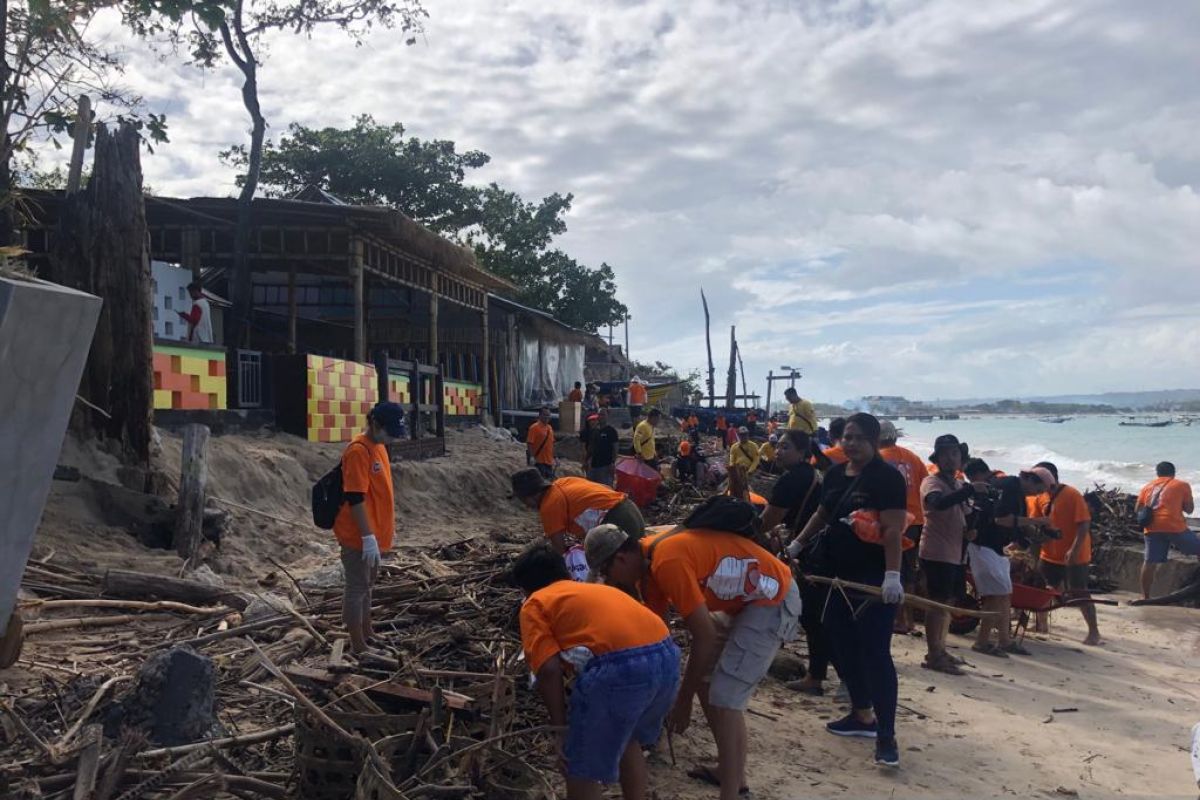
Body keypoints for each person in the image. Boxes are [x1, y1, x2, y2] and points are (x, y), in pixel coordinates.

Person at [585, 506, 800, 800]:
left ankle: (733, 791)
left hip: (772, 597)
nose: (613, 584)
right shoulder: (647, 567)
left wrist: (682, 701)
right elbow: (655, 636)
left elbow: (705, 635)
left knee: (726, 698)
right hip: (742, 602)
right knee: (704, 680)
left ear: (620, 559)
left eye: (609, 575)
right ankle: (730, 769)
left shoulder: (666, 560)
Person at [512, 541, 680, 800]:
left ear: (525, 588)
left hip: (621, 668)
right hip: (667, 656)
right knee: (628, 737)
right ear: (564, 572)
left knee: (579, 762)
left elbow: (548, 669)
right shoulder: (595, 591)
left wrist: (559, 729)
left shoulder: (535, 602)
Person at [787, 413, 907, 768]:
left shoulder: (887, 478)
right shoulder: (837, 474)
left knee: (876, 654)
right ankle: (861, 714)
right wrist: (797, 543)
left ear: (873, 441)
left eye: (858, 438)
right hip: (836, 577)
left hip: (872, 581)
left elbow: (892, 530)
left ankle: (886, 736)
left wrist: (892, 576)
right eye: (847, 438)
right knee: (839, 641)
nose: (850, 444)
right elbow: (823, 514)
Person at [763, 430, 833, 695]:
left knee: (811, 615)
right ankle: (820, 673)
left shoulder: (791, 480)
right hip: (821, 546)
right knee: (817, 615)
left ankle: (817, 678)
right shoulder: (812, 473)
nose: (778, 451)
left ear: (803, 452)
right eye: (777, 446)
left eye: (786, 447)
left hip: (808, 552)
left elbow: (768, 520)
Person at [332, 402, 405, 655]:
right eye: (389, 431)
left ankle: (368, 631)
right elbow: (355, 497)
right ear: (375, 424)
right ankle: (358, 645)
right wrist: (367, 536)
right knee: (356, 587)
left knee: (368, 585)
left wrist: (383, 531)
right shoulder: (358, 451)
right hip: (358, 535)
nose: (392, 437)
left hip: (375, 533)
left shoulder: (379, 447)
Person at [963, 459, 1041, 657]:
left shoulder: (1000, 487)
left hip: (993, 546)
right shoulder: (1003, 486)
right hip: (983, 544)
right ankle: (982, 642)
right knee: (996, 594)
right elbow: (1001, 519)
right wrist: (1035, 522)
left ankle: (1004, 640)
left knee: (1004, 593)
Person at [1030, 462, 1101, 646]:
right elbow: (1037, 524)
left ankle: (1094, 632)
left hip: (1075, 555)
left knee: (1079, 591)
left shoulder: (1072, 495)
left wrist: (1074, 549)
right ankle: (1041, 625)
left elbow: (1084, 523)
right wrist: (1034, 553)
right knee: (1042, 589)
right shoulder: (1040, 497)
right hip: (1049, 553)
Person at [919, 435, 973, 674]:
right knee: (937, 604)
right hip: (936, 551)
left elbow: (966, 512)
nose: (951, 458)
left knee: (948, 603)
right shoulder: (932, 482)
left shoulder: (958, 484)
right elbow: (937, 503)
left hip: (955, 552)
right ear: (938, 458)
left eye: (955, 454)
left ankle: (940, 648)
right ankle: (934, 653)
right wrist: (969, 490)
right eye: (946, 454)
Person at [513, 469, 645, 555]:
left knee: (616, 571)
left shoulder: (549, 506)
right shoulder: (563, 483)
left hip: (617, 521)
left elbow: (559, 549)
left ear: (530, 496)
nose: (526, 506)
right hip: (630, 510)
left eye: (524, 500)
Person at [878, 420, 928, 634]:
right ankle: (908, 620)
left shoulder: (877, 459)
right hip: (915, 520)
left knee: (889, 568)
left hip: (891, 520)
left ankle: (894, 618)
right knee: (908, 571)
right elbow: (925, 484)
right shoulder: (913, 458)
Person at [1136, 462, 1198, 599]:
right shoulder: (1181, 485)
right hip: (1173, 525)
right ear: (1174, 473)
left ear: (1157, 473)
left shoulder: (1147, 487)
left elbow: (1138, 509)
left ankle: (1145, 596)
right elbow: (1189, 510)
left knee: (1150, 562)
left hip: (1151, 527)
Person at [584, 410, 619, 487]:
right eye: (600, 415)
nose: (601, 417)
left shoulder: (611, 431)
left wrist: (613, 463)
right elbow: (591, 447)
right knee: (590, 487)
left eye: (603, 415)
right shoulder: (595, 431)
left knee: (604, 488)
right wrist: (586, 460)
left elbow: (615, 448)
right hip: (594, 465)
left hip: (605, 466)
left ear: (607, 417)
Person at [527, 407, 556, 480]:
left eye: (548, 415)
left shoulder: (550, 428)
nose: (547, 417)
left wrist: (555, 457)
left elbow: (552, 444)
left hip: (549, 462)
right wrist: (531, 457)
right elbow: (530, 443)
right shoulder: (534, 427)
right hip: (539, 461)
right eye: (545, 415)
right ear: (540, 415)